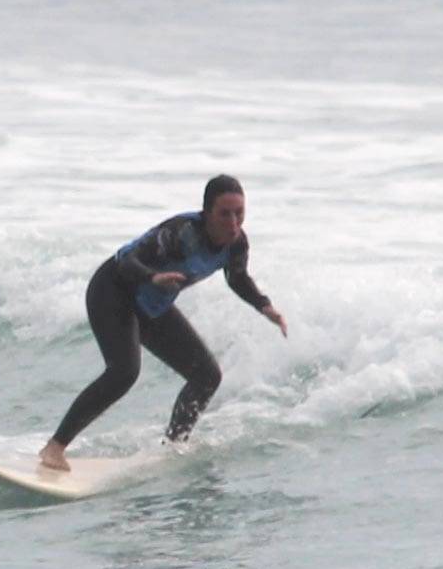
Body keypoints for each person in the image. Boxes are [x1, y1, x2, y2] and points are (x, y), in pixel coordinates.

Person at [39, 175, 286, 471]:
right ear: (206, 213)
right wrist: (152, 277)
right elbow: (127, 262)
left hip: (151, 305)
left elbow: (237, 278)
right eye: (225, 214)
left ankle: (173, 447)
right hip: (112, 291)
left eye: (239, 213)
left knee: (207, 375)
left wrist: (264, 306)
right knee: (124, 372)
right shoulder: (181, 233)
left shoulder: (236, 244)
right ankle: (54, 448)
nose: (233, 223)